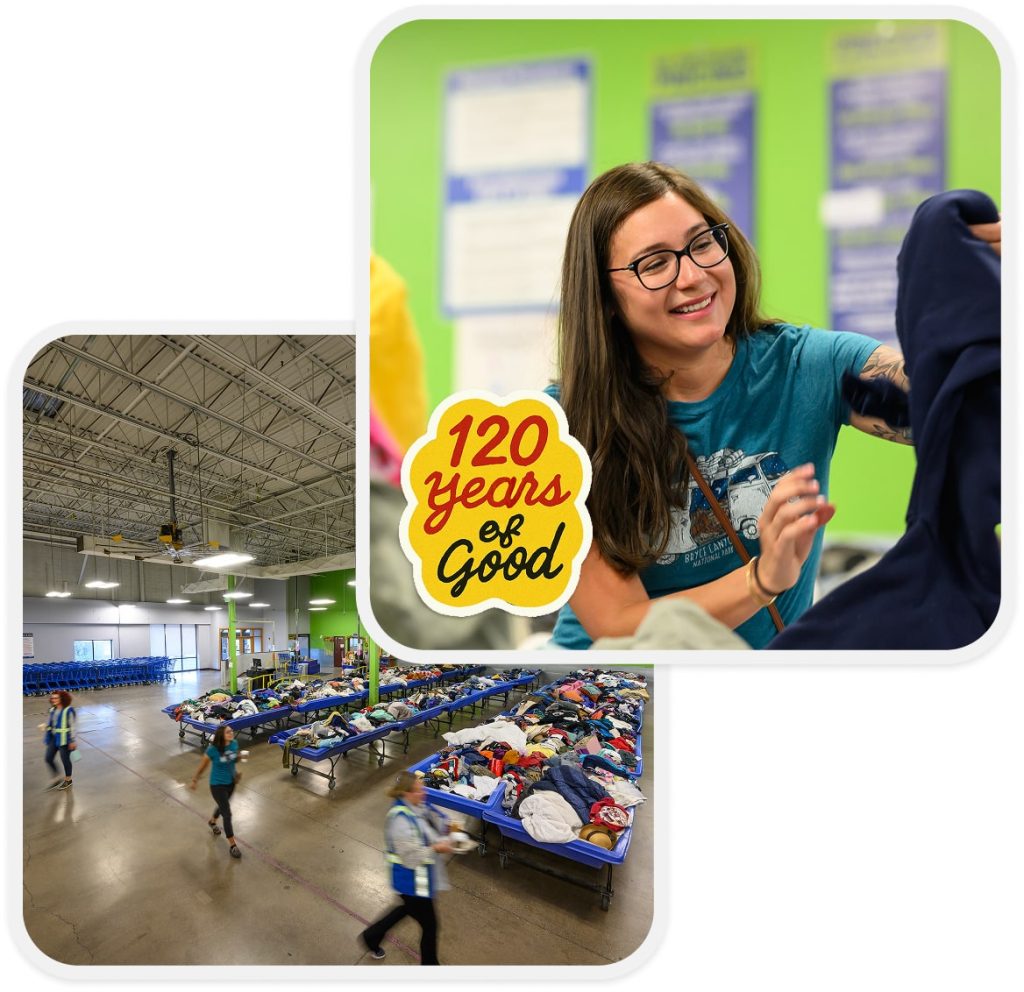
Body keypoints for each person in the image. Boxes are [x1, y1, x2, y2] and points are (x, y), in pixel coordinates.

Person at [549, 161, 1001, 649]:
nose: (694, 276)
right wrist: (762, 578)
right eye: (655, 263)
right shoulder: (560, 429)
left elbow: (954, 409)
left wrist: (970, 286)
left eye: (703, 243)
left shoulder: (807, 366)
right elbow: (618, 621)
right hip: (629, 680)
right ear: (606, 298)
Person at [360, 771, 453, 965]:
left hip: (419, 879)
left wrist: (447, 828)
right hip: (410, 881)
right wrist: (437, 847)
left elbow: (432, 822)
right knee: (430, 926)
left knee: (406, 911)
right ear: (405, 793)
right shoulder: (399, 820)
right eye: (419, 791)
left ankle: (371, 936)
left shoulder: (416, 806)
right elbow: (411, 857)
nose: (424, 794)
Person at [189, 724, 242, 859]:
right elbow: (203, 766)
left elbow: (233, 759)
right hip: (217, 785)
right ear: (221, 735)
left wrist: (237, 770)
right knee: (227, 813)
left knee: (223, 806)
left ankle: (212, 821)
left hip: (231, 783)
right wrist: (195, 779)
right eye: (228, 732)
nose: (231, 733)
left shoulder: (234, 743)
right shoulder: (213, 750)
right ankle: (232, 845)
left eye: (232, 730)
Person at [42, 690, 77, 790]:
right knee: (48, 758)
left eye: (56, 698)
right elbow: (51, 722)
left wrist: (72, 741)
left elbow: (72, 726)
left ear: (62, 699)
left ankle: (68, 780)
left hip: (65, 739)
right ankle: (57, 777)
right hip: (54, 738)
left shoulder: (68, 711)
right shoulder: (52, 710)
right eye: (52, 698)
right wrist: (46, 726)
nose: (53, 700)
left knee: (65, 759)